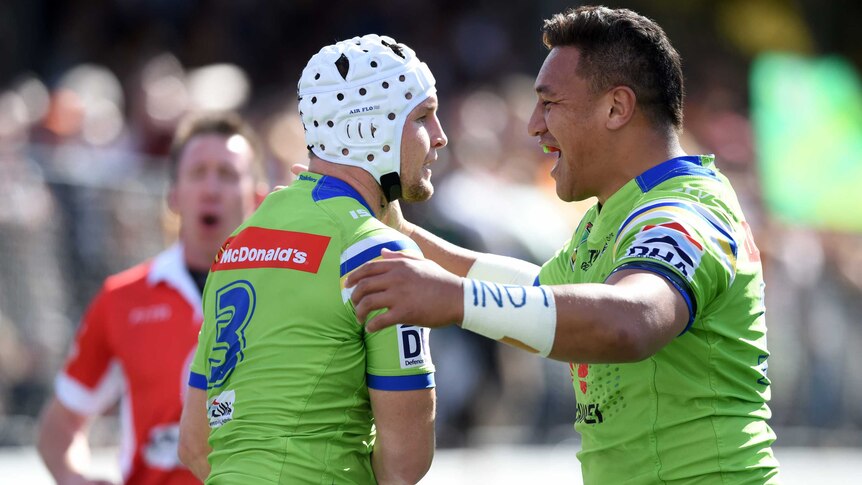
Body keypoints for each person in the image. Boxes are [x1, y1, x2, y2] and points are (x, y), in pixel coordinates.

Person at [346, 6, 780, 484]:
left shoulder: (684, 212)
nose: (534, 125)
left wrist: (453, 299)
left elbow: (630, 320)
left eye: (549, 104)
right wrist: (399, 231)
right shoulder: (614, 212)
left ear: (617, 108)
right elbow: (537, 297)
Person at [178, 34, 446, 484]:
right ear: (369, 129)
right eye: (423, 116)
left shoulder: (239, 242)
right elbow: (405, 462)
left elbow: (194, 444)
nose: (439, 137)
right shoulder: (377, 251)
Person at [37, 111, 268, 485]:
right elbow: (58, 427)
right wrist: (73, 477)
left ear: (258, 197)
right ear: (173, 195)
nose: (210, 189)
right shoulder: (121, 298)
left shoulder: (290, 292)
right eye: (197, 173)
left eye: (227, 174)